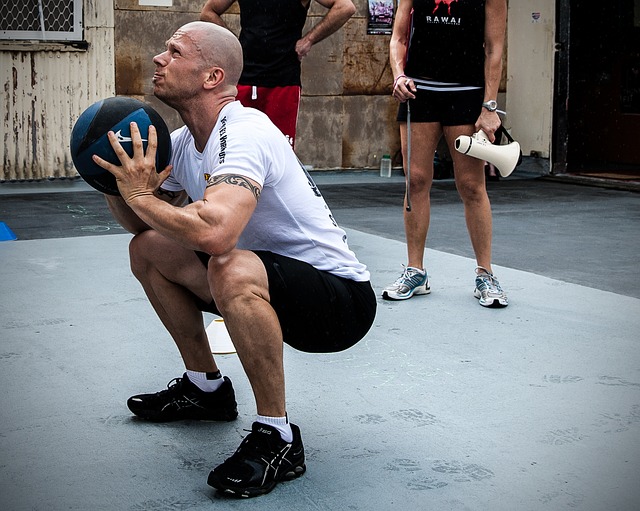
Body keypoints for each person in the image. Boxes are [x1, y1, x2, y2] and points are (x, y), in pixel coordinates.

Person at [93, 21, 375, 498]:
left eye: (174, 52)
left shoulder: (245, 130)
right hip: (269, 283)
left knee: (229, 262)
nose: (159, 59)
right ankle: (205, 389)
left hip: (339, 303)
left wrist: (142, 195)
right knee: (148, 250)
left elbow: (218, 233)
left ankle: (277, 437)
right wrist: (117, 184)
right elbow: (147, 225)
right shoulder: (184, 143)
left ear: (211, 77)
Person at [383, 0, 509, 308]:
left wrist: (490, 106)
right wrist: (399, 74)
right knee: (415, 180)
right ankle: (416, 271)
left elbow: (494, 48)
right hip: (419, 90)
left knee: (470, 184)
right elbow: (398, 38)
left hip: (465, 92)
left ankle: (485, 274)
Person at [200, 0, 356, 147]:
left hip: (283, 81)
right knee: (236, 145)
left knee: (279, 150)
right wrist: (233, 43)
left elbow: (345, 7)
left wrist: (309, 39)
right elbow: (208, 12)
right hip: (243, 79)